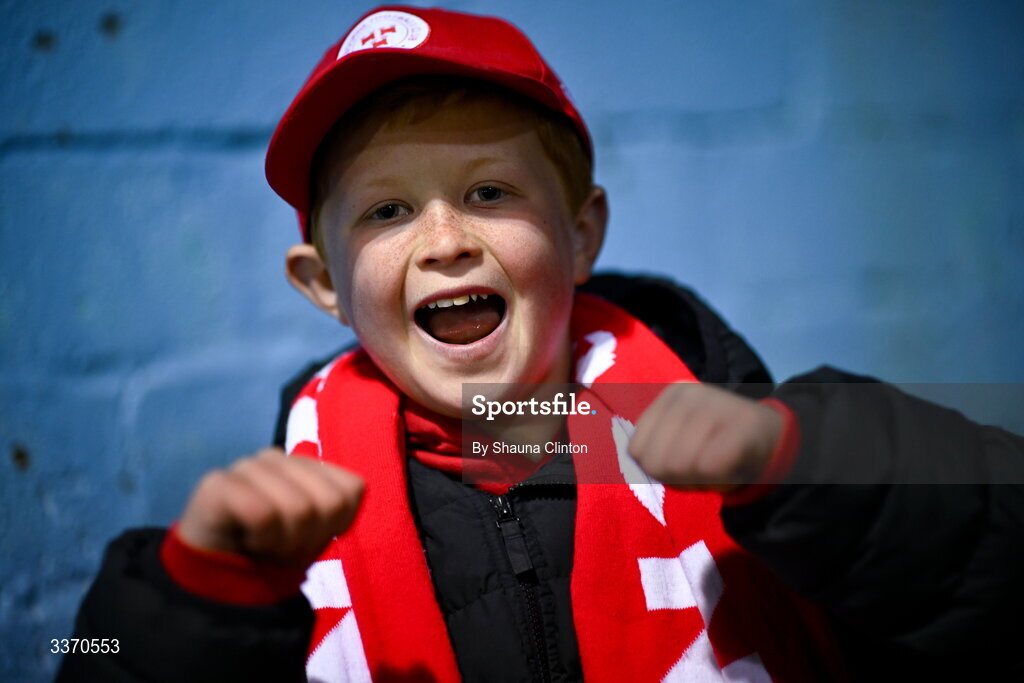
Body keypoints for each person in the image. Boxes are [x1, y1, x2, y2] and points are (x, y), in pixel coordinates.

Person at [58, 6, 1023, 682]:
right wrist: (195, 601)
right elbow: (87, 661)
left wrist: (803, 467)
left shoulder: (748, 437)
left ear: (582, 234)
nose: (446, 241)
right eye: (388, 211)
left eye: (490, 192)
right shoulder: (281, 524)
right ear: (326, 288)